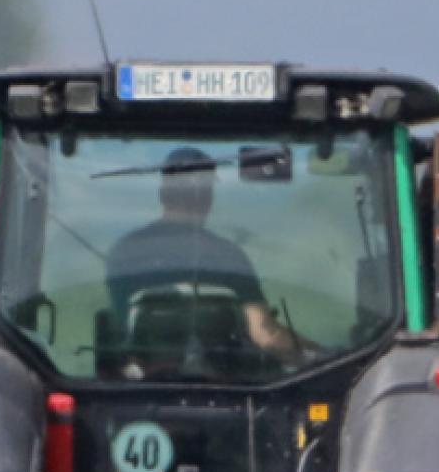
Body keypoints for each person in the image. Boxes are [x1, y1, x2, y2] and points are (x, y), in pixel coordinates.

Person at [105, 146, 305, 361]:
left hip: (140, 383)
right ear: (208, 197)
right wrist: (320, 356)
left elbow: (120, 330)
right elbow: (264, 335)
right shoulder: (228, 256)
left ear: (163, 194)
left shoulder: (125, 250)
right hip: (225, 385)